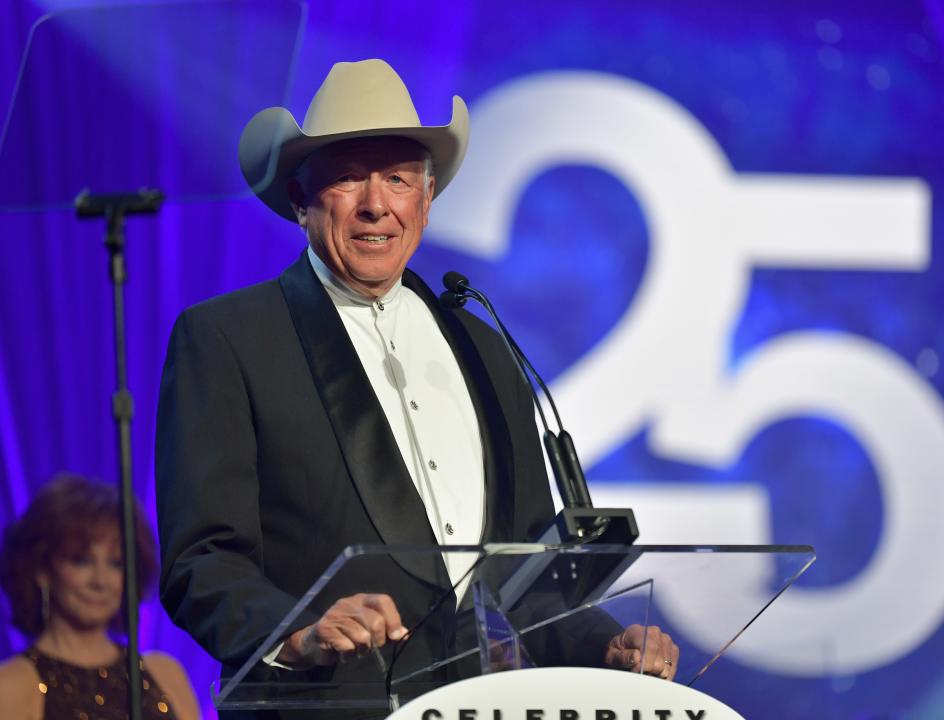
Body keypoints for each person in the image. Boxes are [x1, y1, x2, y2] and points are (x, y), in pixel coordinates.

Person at [155, 59, 677, 718]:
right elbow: (202, 561)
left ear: (425, 202)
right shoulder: (230, 338)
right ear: (299, 199)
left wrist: (608, 645)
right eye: (348, 178)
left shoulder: (484, 345)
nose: (377, 204)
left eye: (398, 179)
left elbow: (525, 568)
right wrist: (302, 630)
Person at [0, 474, 200, 720]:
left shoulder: (165, 674)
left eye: (116, 563)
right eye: (81, 560)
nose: (101, 581)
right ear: (42, 569)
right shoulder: (13, 685)